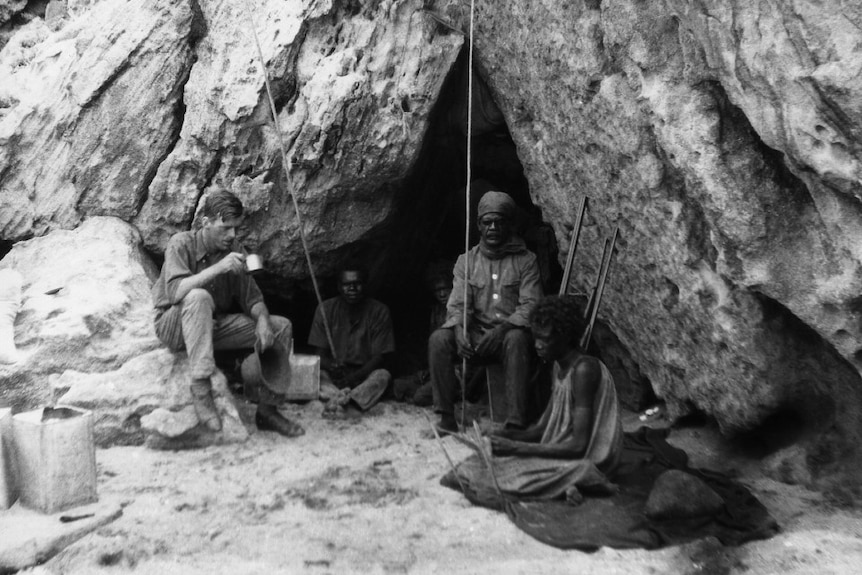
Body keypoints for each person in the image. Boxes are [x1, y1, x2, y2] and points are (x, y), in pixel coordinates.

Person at [151, 190, 304, 437]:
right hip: (174, 326)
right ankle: (201, 388)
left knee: (281, 326)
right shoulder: (181, 243)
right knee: (198, 296)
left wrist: (263, 321)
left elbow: (253, 299)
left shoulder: (234, 251)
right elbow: (176, 292)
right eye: (225, 228)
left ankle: (268, 410)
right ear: (206, 223)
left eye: (235, 228)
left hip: (212, 326)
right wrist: (218, 269)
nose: (232, 235)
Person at [454, 295, 623, 503]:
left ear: (565, 336)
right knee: (482, 462)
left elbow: (579, 446)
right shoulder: (558, 365)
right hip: (564, 452)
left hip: (590, 459)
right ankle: (565, 485)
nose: (538, 345)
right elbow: (540, 430)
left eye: (545, 339)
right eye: (536, 338)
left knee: (506, 471)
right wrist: (504, 435)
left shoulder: (584, 369)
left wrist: (516, 448)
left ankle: (573, 481)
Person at [429, 190, 543, 433]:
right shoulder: (466, 261)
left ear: (509, 225)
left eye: (499, 222)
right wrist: (460, 328)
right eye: (487, 222)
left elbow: (531, 304)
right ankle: (446, 418)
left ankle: (514, 422)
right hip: (477, 337)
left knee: (517, 338)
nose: (492, 228)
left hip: (509, 339)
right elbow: (459, 304)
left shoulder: (526, 261)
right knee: (439, 339)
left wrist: (503, 329)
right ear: (479, 226)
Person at [309, 264, 395, 413]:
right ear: (338, 286)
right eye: (346, 284)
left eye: (357, 284)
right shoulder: (325, 309)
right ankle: (341, 398)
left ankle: (346, 400)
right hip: (335, 376)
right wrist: (332, 366)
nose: (352, 289)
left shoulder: (379, 311)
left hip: (364, 374)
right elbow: (319, 355)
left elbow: (380, 357)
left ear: (365, 285)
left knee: (383, 376)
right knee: (317, 375)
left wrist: (356, 377)